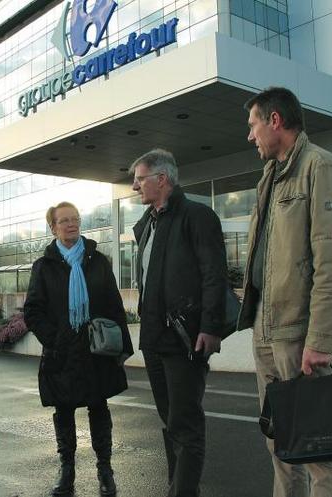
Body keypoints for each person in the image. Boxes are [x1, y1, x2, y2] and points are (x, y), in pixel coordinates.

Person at [238, 87, 332, 497]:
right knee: (279, 440)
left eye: (253, 124)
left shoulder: (321, 169)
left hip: (299, 332)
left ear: (275, 120)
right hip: (266, 326)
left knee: (318, 447)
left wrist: (321, 341)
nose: (250, 135)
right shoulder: (271, 177)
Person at [130, 149, 229, 497]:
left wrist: (211, 327)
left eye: (140, 179)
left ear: (162, 179)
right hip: (154, 340)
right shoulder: (149, 224)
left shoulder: (197, 216)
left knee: (185, 425)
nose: (134, 186)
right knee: (170, 422)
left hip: (186, 339)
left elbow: (214, 275)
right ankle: (180, 487)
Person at [23, 201, 133, 497]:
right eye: (64, 221)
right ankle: (67, 470)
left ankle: (105, 470)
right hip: (62, 352)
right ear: (53, 227)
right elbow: (33, 310)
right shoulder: (43, 266)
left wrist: (122, 346)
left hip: (95, 350)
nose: (71, 225)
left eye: (75, 219)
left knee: (99, 407)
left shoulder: (97, 260)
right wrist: (55, 339)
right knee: (64, 411)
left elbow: (114, 305)